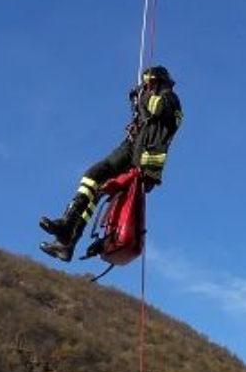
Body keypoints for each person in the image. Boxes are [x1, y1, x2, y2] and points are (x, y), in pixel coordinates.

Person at [39, 65, 183, 262]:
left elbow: (157, 108)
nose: (146, 88)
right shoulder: (150, 105)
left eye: (149, 85)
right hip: (132, 150)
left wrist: (141, 96)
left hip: (142, 166)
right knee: (94, 177)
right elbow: (147, 115)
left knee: (101, 187)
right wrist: (136, 105)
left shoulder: (171, 100)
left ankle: (68, 235)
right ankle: (67, 234)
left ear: (159, 83)